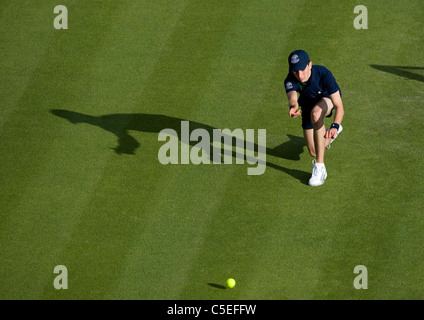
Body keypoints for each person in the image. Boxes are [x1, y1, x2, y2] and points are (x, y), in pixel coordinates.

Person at [284, 50, 344, 186]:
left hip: (326, 99)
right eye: (295, 72)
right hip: (307, 106)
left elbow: (339, 106)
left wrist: (335, 123)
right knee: (314, 151)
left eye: (302, 70)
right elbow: (292, 96)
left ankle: (320, 168)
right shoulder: (290, 79)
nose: (300, 75)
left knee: (316, 115)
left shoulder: (323, 74)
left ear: (309, 65)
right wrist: (293, 106)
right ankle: (330, 135)